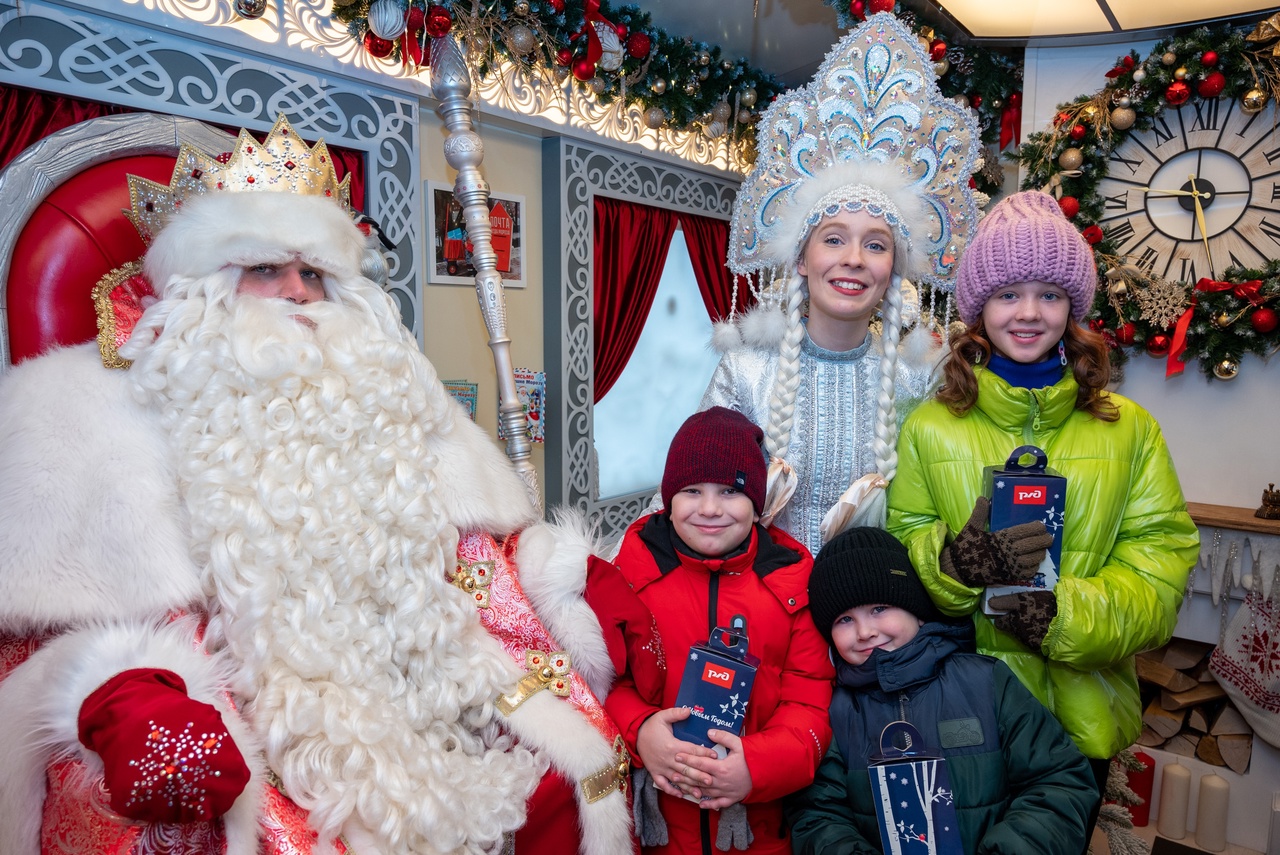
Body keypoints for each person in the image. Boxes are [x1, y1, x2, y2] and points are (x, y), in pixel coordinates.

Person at [0, 116, 633, 855]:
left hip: (418, 689)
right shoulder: (91, 409)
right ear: (203, 286)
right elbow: (59, 630)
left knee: (571, 759)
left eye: (316, 274)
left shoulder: (387, 394)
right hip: (244, 706)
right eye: (266, 269)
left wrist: (558, 573)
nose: (299, 295)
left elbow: (470, 565)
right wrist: (131, 683)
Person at [886, 190, 1200, 840]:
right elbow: (902, 544)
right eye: (1008, 294)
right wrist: (950, 564)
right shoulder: (930, 427)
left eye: (1049, 294)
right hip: (962, 711)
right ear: (978, 309)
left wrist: (1066, 615)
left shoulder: (1130, 431)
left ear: (1074, 308)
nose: (1028, 312)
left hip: (1079, 717)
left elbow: (1161, 566)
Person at [699, 11, 982, 554]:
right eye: (833, 238)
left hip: (873, 618)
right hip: (758, 614)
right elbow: (698, 494)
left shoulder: (919, 381)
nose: (853, 259)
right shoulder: (745, 370)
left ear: (893, 269)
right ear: (801, 258)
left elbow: (936, 514)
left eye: (875, 244)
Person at [602, 406, 834, 855]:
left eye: (730, 491)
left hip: (760, 830)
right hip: (658, 830)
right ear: (669, 500)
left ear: (757, 502)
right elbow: (603, 682)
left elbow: (809, 700)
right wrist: (641, 731)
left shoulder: (791, 583)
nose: (709, 509)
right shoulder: (631, 576)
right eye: (691, 490)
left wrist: (757, 767)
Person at [787, 526, 1098, 854]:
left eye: (879, 609)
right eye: (844, 620)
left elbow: (1060, 781)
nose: (864, 631)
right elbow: (817, 813)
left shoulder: (987, 683)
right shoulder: (835, 711)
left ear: (918, 613)